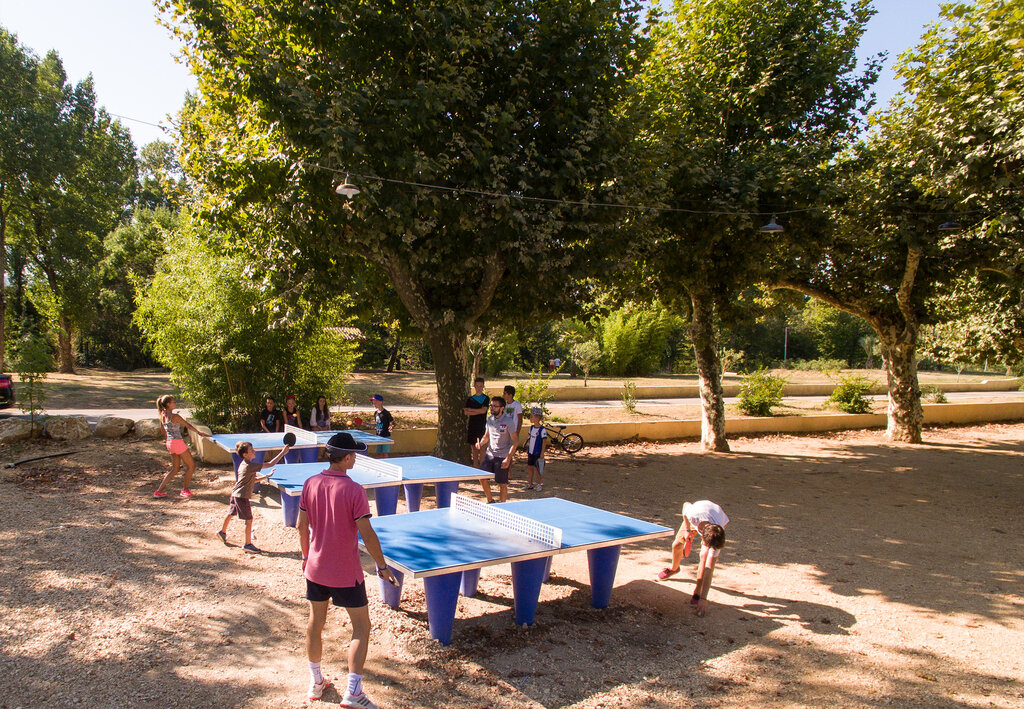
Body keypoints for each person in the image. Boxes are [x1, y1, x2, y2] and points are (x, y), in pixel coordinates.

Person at [297, 432, 396, 708]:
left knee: (315, 624)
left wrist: (306, 558)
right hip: (346, 573)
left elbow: (301, 526)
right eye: (355, 454)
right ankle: (353, 692)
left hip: (315, 569)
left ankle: (316, 683)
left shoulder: (310, 483)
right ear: (348, 457)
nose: (356, 458)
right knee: (361, 627)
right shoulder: (354, 490)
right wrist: (382, 566)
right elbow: (367, 533)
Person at [658, 500, 729, 617]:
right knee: (676, 545)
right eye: (707, 545)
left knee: (705, 558)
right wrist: (687, 530)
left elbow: (709, 568)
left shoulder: (718, 531)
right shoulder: (693, 514)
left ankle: (697, 592)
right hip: (696, 519)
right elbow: (685, 505)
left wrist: (703, 598)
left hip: (717, 519)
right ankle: (674, 568)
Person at [218, 440, 292, 552]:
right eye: (251, 450)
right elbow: (270, 464)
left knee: (231, 513)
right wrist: (283, 452)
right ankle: (247, 544)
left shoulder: (243, 464)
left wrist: (266, 477)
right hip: (241, 496)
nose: (254, 451)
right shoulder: (250, 465)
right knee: (249, 520)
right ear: (245, 454)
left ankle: (222, 532)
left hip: (235, 494)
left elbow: (252, 480)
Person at [154, 394, 211, 498]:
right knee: (191, 466)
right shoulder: (175, 416)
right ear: (168, 404)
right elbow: (188, 425)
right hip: (177, 443)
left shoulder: (162, 415)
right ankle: (185, 490)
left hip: (170, 443)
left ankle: (158, 491)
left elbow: (163, 431)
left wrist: (170, 439)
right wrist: (199, 433)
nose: (175, 403)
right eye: (173, 402)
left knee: (175, 469)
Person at [475, 396, 518, 503]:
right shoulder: (489, 420)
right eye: (491, 406)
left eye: (495, 406)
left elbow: (515, 442)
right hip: (490, 454)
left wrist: (508, 458)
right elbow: (486, 436)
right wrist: (480, 443)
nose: (492, 408)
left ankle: (502, 505)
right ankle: (490, 500)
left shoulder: (509, 422)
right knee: (482, 477)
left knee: (502, 483)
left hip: (503, 456)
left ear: (502, 408)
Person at [463, 376, 490, 467]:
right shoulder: (470, 399)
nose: (479, 388)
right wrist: (478, 410)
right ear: (474, 386)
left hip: (482, 425)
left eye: (481, 386)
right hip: (472, 425)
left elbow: (484, 411)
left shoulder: (485, 398)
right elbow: (466, 412)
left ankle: (482, 467)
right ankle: (475, 466)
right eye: (477, 386)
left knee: (482, 447)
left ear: (483, 386)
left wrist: (472, 410)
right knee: (474, 448)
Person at [524, 407, 548, 492]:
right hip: (531, 452)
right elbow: (530, 438)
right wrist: (528, 447)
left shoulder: (542, 429)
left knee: (538, 469)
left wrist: (542, 453)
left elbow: (544, 441)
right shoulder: (531, 428)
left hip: (538, 452)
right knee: (530, 467)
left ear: (537, 418)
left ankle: (538, 483)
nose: (530, 418)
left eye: (532, 416)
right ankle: (530, 483)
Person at [369, 394, 394, 458]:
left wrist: (391, 427)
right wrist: (365, 424)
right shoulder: (376, 413)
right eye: (373, 402)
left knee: (385, 453)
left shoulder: (386, 413)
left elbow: (393, 422)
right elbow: (377, 425)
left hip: (385, 436)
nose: (373, 403)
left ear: (381, 402)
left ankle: (387, 467)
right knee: (379, 454)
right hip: (378, 436)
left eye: (375, 402)